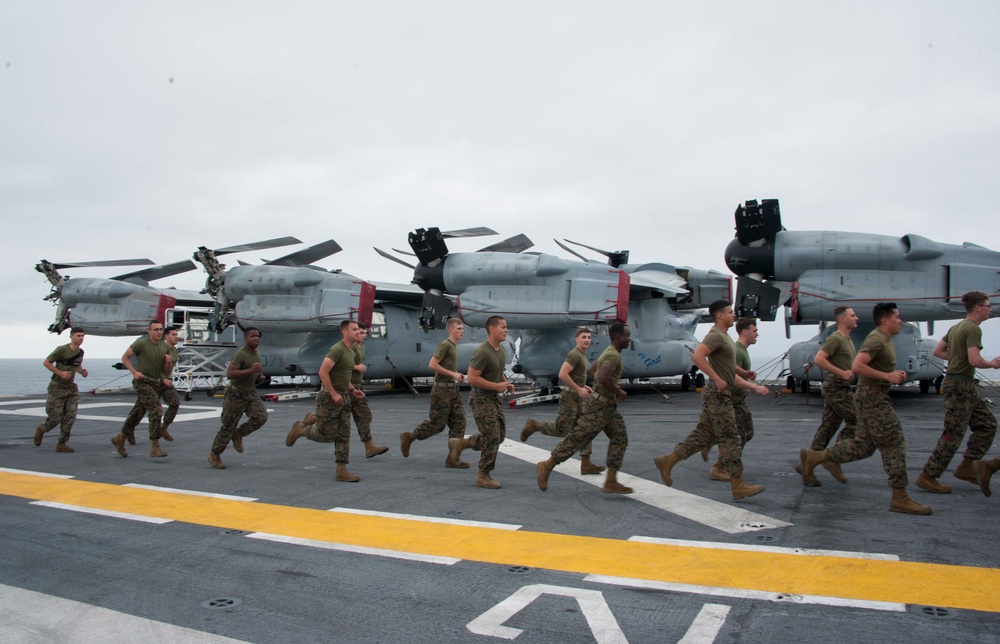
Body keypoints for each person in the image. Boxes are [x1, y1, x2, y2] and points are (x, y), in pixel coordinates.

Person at [800, 303, 932, 515]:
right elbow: (858, 366)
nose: (900, 320)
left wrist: (891, 375)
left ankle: (817, 457)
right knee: (893, 444)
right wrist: (887, 376)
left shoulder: (883, 339)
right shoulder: (875, 338)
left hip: (871, 395)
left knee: (863, 446)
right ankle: (900, 497)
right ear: (886, 319)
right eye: (897, 317)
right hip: (873, 399)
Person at [652, 300, 770, 501]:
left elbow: (725, 365)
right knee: (731, 438)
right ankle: (737, 484)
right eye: (730, 312)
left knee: (703, 435)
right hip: (717, 394)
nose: (733, 315)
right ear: (720, 316)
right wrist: (716, 378)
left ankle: (668, 460)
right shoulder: (715, 335)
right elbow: (698, 357)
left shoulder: (724, 337)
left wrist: (744, 373)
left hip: (718, 393)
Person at [916, 292, 1000, 494]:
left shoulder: (957, 327)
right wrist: (993, 364)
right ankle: (928, 476)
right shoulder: (972, 329)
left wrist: (957, 357)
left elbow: (938, 351)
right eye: (987, 306)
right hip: (960, 385)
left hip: (962, 384)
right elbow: (975, 360)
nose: (990, 309)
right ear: (978, 308)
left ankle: (967, 467)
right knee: (953, 433)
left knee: (987, 424)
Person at [535, 322, 634, 494]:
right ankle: (547, 464)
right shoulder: (613, 355)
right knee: (577, 438)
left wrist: (597, 387)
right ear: (619, 337)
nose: (629, 339)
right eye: (627, 335)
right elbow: (603, 377)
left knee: (620, 438)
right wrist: (619, 391)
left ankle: (611, 481)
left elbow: (593, 370)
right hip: (599, 407)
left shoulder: (609, 352)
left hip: (608, 407)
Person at [286, 319, 367, 482]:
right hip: (329, 397)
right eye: (354, 330)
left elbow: (343, 376)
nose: (358, 332)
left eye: (359, 330)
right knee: (327, 434)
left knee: (344, 434)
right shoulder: (337, 350)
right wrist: (333, 393)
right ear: (345, 332)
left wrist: (352, 390)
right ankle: (301, 430)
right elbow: (323, 372)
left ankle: (341, 469)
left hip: (344, 396)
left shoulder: (351, 352)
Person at [520, 327, 606, 475]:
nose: (587, 340)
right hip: (571, 398)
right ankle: (535, 426)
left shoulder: (581, 355)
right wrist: (578, 389)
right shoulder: (574, 355)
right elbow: (563, 374)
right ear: (577, 339)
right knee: (563, 429)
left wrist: (583, 386)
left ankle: (586, 463)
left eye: (589, 337)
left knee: (587, 428)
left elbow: (574, 376)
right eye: (583, 337)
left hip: (580, 397)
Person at [447, 315, 515, 489]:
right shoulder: (482, 352)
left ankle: (461, 443)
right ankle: (483, 475)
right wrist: (497, 386)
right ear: (492, 329)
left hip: (493, 398)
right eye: (503, 327)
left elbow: (497, 371)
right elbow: (472, 378)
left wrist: (506, 384)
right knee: (492, 437)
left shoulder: (501, 350)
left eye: (506, 327)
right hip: (481, 399)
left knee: (499, 436)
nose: (506, 330)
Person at [795, 306, 859, 486]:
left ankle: (805, 464)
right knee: (857, 420)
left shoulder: (847, 339)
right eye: (853, 315)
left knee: (827, 428)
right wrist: (842, 373)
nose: (857, 318)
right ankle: (833, 457)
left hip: (839, 386)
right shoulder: (835, 338)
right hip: (837, 387)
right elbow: (819, 359)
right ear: (842, 320)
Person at [400, 317, 469, 467]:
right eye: (459, 329)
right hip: (442, 390)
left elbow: (446, 367)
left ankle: (452, 458)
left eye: (462, 329)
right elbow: (432, 365)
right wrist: (452, 374)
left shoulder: (453, 346)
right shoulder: (445, 345)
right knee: (437, 424)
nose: (462, 331)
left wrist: (456, 374)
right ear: (450, 330)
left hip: (452, 389)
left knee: (459, 422)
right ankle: (410, 436)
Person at [702, 318, 761, 482]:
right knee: (738, 435)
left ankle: (709, 442)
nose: (757, 334)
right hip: (731, 399)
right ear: (745, 332)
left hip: (737, 398)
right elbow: (729, 376)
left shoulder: (741, 350)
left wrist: (746, 380)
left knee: (743, 433)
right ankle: (720, 467)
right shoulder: (738, 350)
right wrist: (752, 387)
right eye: (754, 330)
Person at [207, 328, 268, 468]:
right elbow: (230, 373)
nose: (256, 338)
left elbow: (254, 372)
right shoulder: (241, 354)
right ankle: (214, 454)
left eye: (257, 336)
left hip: (250, 393)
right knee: (228, 426)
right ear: (245, 338)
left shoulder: (256, 353)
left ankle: (239, 434)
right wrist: (251, 371)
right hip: (236, 394)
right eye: (252, 336)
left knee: (261, 417)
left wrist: (258, 376)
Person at [111, 320, 169, 458]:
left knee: (138, 412)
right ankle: (155, 446)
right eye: (155, 329)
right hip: (142, 381)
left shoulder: (164, 347)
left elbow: (164, 370)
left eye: (160, 329)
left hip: (155, 382)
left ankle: (121, 437)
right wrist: (134, 372)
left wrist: (168, 363)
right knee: (156, 409)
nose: (159, 332)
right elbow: (125, 357)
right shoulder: (141, 344)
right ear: (149, 331)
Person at [120, 325, 182, 447]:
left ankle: (163, 428)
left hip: (162, 381)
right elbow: (154, 367)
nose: (176, 337)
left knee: (174, 403)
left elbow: (166, 368)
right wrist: (163, 378)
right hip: (154, 381)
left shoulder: (172, 350)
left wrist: (167, 371)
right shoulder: (155, 347)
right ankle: (128, 431)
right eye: (173, 335)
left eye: (176, 334)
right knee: (141, 410)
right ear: (166, 336)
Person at [33, 327, 88, 453]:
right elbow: (47, 362)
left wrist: (82, 372)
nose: (81, 338)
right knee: (55, 417)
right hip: (57, 386)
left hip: (71, 388)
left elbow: (77, 365)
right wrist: (60, 373)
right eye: (78, 336)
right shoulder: (62, 349)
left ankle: (62, 443)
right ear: (71, 337)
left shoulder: (80, 352)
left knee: (70, 416)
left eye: (82, 336)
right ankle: (41, 429)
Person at [349, 322, 389, 458]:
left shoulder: (360, 346)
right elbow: (339, 364)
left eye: (365, 333)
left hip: (356, 386)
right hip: (344, 387)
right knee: (330, 424)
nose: (364, 335)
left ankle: (369, 446)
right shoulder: (349, 346)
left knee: (365, 415)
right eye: (360, 333)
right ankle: (305, 427)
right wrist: (356, 367)